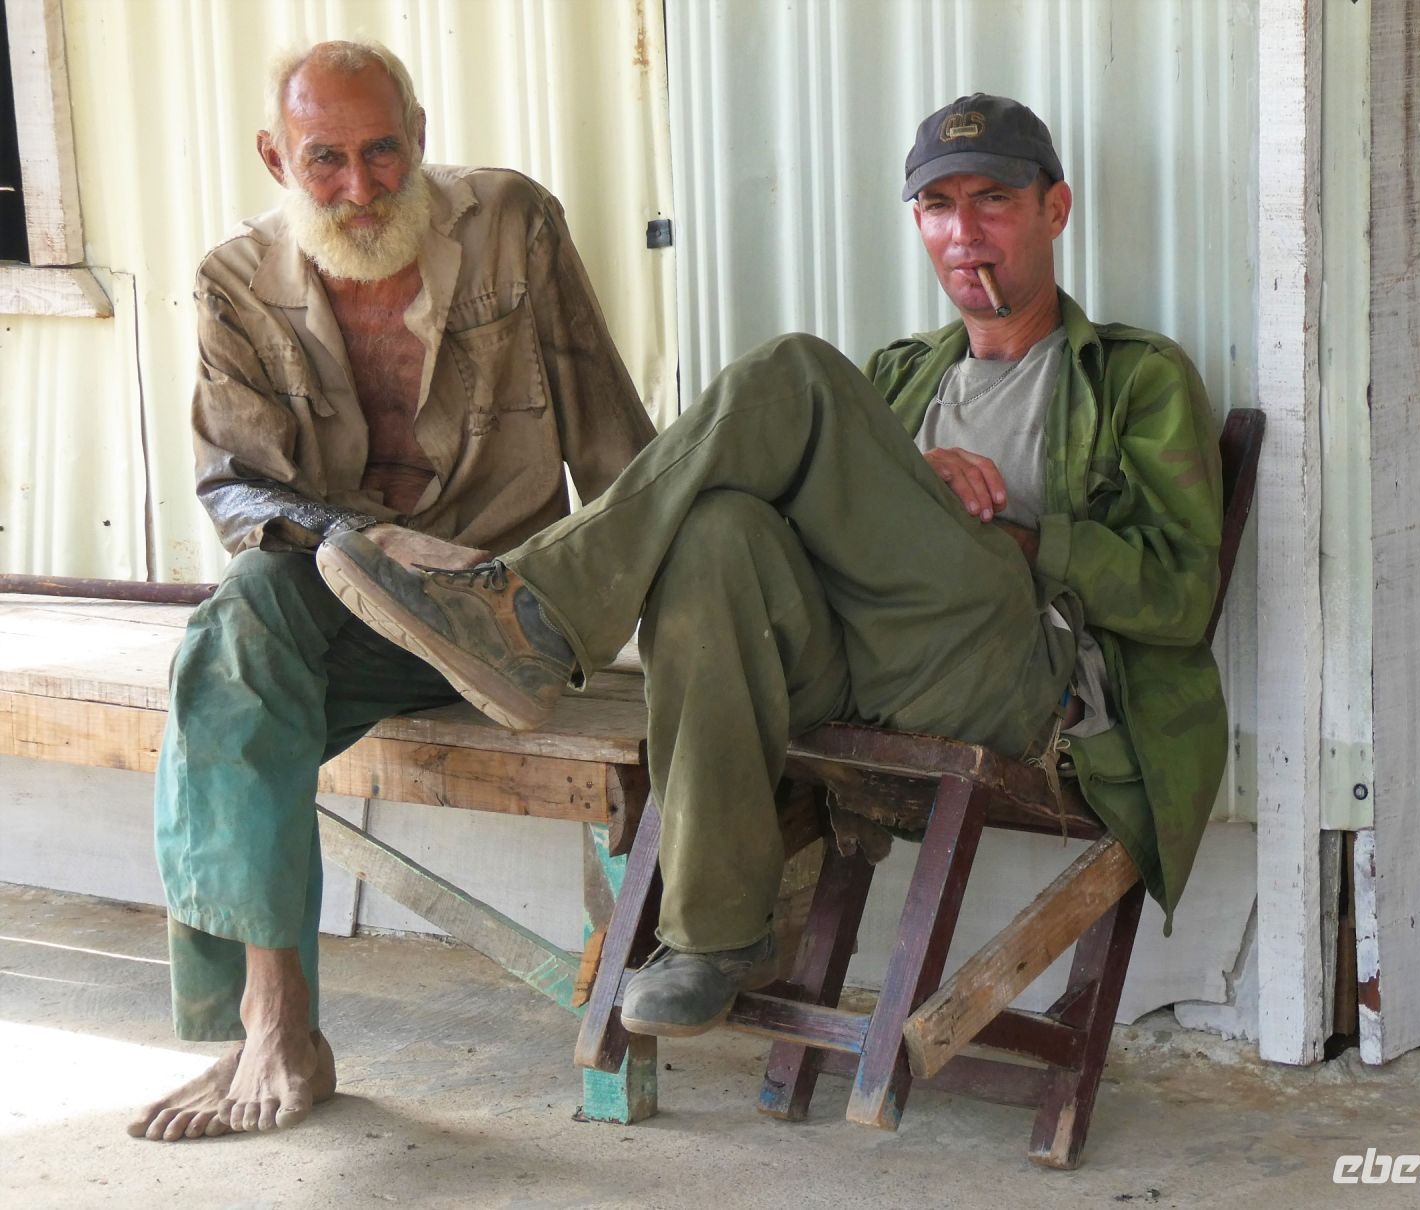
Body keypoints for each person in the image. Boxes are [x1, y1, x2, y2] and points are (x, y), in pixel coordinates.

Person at [318, 92, 1226, 1042]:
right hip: (863, 663)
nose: (966, 233)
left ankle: (533, 613)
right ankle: (717, 935)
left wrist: (1023, 537)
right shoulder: (903, 375)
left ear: (1055, 209)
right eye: (938, 207)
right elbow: (802, 540)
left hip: (1014, 677)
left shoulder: (1131, 376)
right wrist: (907, 480)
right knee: (714, 534)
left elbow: (1181, 595)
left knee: (796, 371)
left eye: (994, 200)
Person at [128, 40, 656, 1142]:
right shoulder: (235, 281)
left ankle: (275, 1028)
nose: (362, 188)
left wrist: (656, 625)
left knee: (222, 687)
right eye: (326, 160)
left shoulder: (510, 220)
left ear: (419, 135)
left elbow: (611, 432)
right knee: (236, 636)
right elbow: (234, 489)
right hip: (355, 614)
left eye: (383, 152)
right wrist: (367, 549)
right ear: (275, 155)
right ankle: (279, 1024)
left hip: (505, 617)